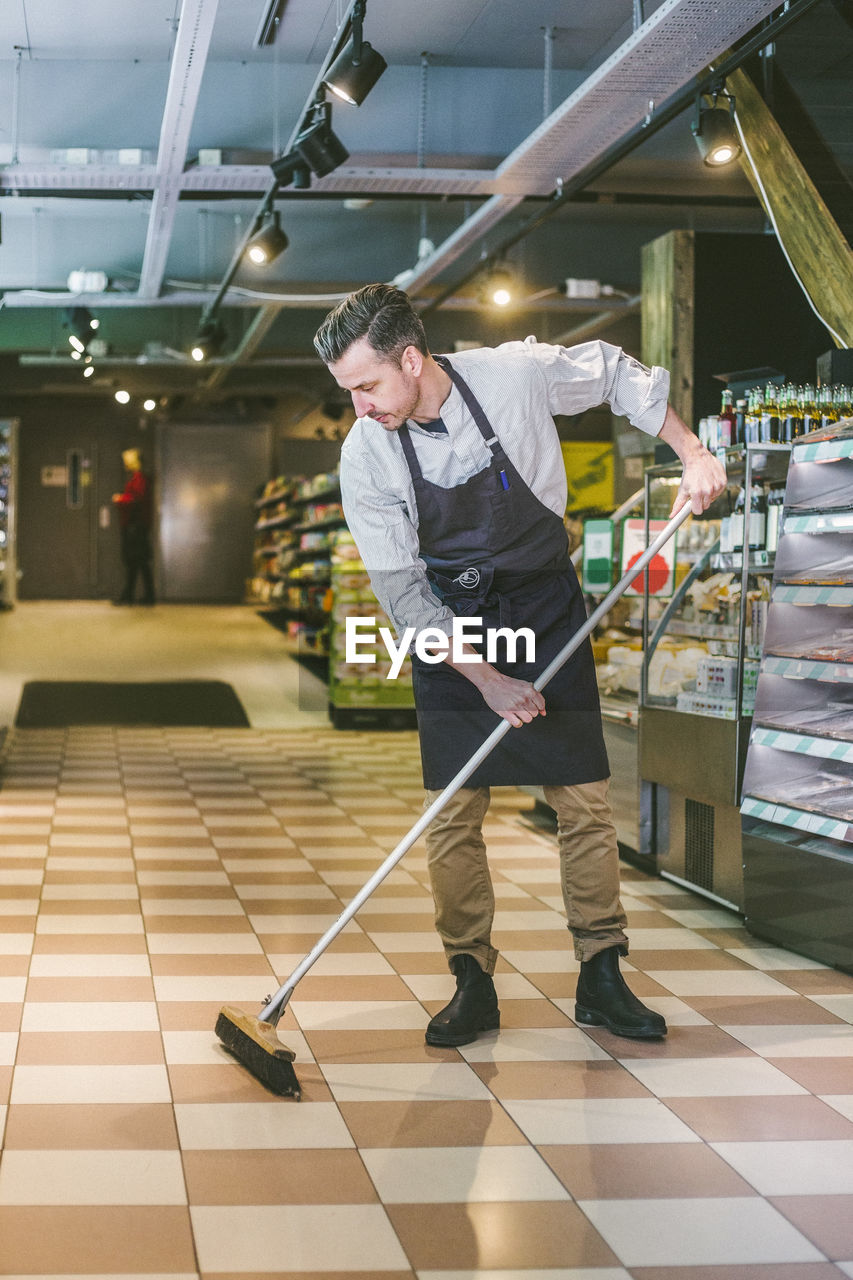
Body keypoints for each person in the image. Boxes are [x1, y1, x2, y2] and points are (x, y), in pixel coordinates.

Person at [314, 283, 726, 1047]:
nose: (359, 407)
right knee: (453, 810)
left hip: (543, 606)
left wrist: (691, 451)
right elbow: (404, 594)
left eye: (367, 386)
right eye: (347, 393)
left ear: (411, 359)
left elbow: (612, 373)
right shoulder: (367, 452)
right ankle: (471, 979)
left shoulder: (512, 376)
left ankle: (601, 971)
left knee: (582, 799)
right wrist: (486, 679)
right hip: (452, 625)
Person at [112, 447, 154, 605]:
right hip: (137, 526)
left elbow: (136, 500)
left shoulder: (138, 480)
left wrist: (120, 499)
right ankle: (135, 594)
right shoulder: (140, 479)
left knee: (136, 562)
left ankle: (132, 595)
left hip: (134, 527)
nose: (124, 465)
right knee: (138, 562)